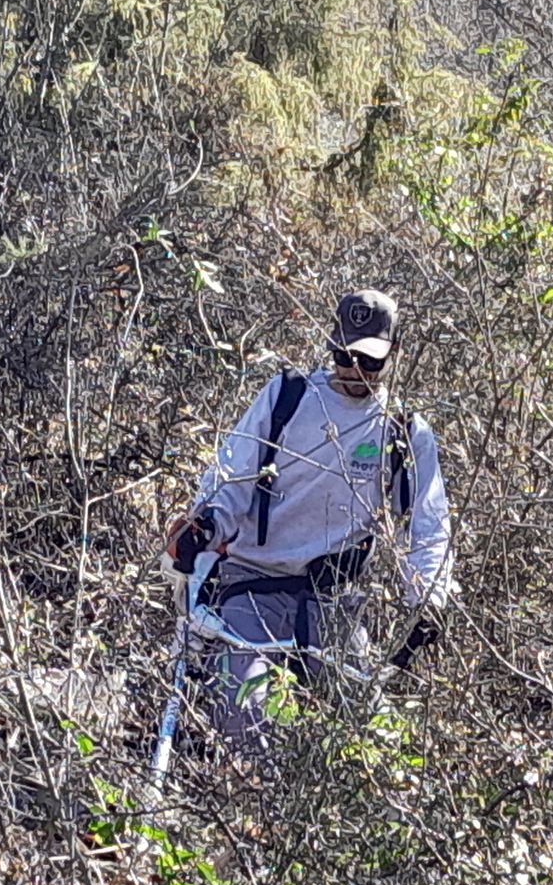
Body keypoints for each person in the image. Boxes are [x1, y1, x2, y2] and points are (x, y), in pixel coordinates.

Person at [165, 289, 455, 747]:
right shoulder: (288, 397)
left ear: (393, 354)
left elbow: (429, 524)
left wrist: (428, 599)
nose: (355, 369)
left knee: (376, 736)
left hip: (333, 599)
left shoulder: (403, 432)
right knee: (248, 714)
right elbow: (231, 477)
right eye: (344, 355)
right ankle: (247, 810)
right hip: (252, 581)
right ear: (331, 345)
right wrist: (205, 525)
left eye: (370, 361)